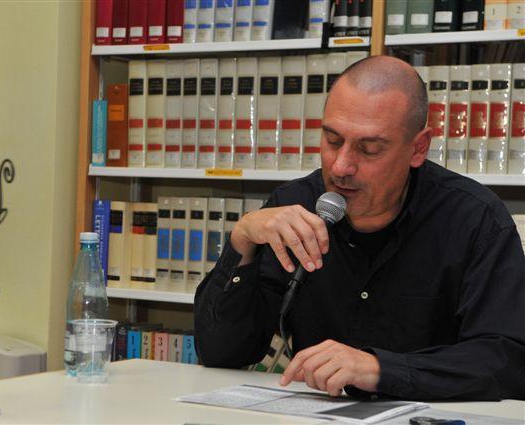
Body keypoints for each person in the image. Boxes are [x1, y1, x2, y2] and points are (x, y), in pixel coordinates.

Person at [194, 55, 525, 401]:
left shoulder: (474, 219)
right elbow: (220, 353)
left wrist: (380, 370)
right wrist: (242, 241)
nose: (341, 167)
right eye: (332, 141)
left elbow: (506, 362)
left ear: (418, 148)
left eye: (369, 150)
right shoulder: (294, 205)